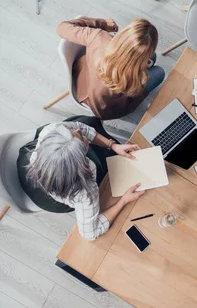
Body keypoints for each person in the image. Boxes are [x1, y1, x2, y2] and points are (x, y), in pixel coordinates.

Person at [17, 116, 145, 240]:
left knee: (86, 121)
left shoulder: (51, 131)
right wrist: (123, 200)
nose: (78, 131)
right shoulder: (84, 192)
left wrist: (113, 145)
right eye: (82, 140)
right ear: (82, 162)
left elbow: (79, 127)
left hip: (28, 164)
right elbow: (90, 233)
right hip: (46, 198)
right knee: (104, 168)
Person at [57, 17, 165, 120]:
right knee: (159, 72)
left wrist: (102, 23)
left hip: (84, 81)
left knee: (154, 60)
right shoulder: (138, 79)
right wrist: (142, 70)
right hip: (105, 108)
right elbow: (132, 93)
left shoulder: (99, 37)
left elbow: (62, 27)